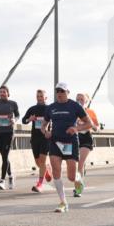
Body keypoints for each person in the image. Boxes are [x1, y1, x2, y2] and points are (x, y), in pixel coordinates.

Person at [43, 82, 94, 213]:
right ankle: (63, 202)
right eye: (57, 91)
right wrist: (46, 132)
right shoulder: (51, 108)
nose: (59, 93)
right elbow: (44, 125)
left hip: (70, 143)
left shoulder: (75, 106)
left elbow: (90, 124)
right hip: (55, 142)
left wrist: (76, 128)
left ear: (67, 92)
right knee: (56, 171)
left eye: (62, 91)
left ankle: (78, 179)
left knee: (71, 177)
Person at [21, 89, 53, 192]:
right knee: (38, 163)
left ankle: (39, 184)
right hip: (35, 138)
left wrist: (51, 132)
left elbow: (55, 121)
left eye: (41, 96)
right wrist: (29, 119)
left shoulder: (49, 109)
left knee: (42, 161)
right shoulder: (32, 109)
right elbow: (24, 120)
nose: (39, 98)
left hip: (45, 138)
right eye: (38, 96)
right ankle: (46, 170)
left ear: (45, 97)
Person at [74, 93, 100, 196]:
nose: (79, 101)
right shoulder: (73, 111)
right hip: (75, 138)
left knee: (80, 163)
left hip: (86, 138)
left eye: (81, 99)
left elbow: (97, 128)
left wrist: (91, 125)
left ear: (87, 101)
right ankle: (81, 177)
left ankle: (77, 188)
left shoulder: (90, 112)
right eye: (77, 99)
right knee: (77, 164)